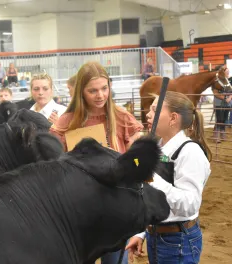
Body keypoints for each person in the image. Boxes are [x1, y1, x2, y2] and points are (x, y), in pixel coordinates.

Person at [50, 61, 143, 264]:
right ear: (81, 92)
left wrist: (135, 163)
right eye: (93, 91)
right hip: (80, 211)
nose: (100, 95)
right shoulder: (66, 122)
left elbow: (138, 158)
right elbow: (53, 162)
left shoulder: (122, 117)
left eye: (104, 88)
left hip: (116, 208)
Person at [126, 91, 212, 264]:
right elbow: (151, 199)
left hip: (178, 241)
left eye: (154, 109)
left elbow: (189, 204)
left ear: (173, 118)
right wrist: (142, 233)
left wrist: (150, 177)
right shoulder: (157, 147)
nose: (148, 114)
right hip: (157, 236)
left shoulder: (190, 152)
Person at [212, 66, 231, 141]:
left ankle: (222, 133)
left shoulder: (229, 81)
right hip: (219, 103)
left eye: (228, 72)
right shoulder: (216, 81)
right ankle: (216, 135)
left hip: (227, 103)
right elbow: (215, 93)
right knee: (219, 119)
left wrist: (229, 98)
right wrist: (225, 98)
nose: (227, 73)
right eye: (226, 72)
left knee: (224, 118)